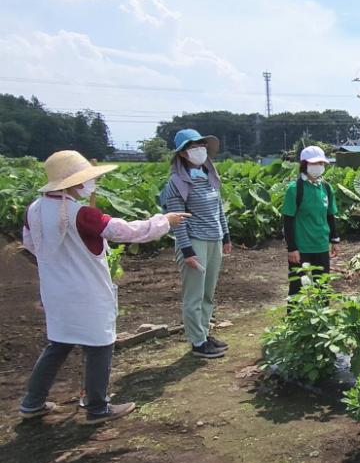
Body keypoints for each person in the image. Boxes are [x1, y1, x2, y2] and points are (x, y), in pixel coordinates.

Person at [20, 151, 189, 424]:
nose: (89, 185)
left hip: (55, 289)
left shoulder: (34, 210)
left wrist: (61, 259)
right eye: (85, 180)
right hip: (86, 290)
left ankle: (32, 402)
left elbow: (31, 244)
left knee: (59, 344)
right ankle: (98, 407)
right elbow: (125, 232)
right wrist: (163, 222)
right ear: (73, 183)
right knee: (100, 344)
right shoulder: (81, 213)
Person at [160, 129, 232, 359]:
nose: (199, 149)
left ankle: (204, 333)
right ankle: (197, 342)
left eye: (201, 144)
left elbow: (218, 208)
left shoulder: (210, 176)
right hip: (194, 241)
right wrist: (187, 250)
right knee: (194, 295)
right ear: (182, 154)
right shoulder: (176, 183)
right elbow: (177, 220)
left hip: (214, 238)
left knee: (208, 293)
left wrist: (226, 235)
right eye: (192, 147)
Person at [282, 145, 340, 297]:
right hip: (301, 248)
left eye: (321, 163)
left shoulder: (326, 188)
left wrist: (334, 240)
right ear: (304, 164)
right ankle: (294, 320)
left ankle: (322, 319)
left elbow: (330, 215)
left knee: (323, 288)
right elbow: (287, 220)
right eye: (315, 163)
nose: (319, 167)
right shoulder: (295, 189)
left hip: (321, 245)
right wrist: (292, 248)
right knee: (298, 288)